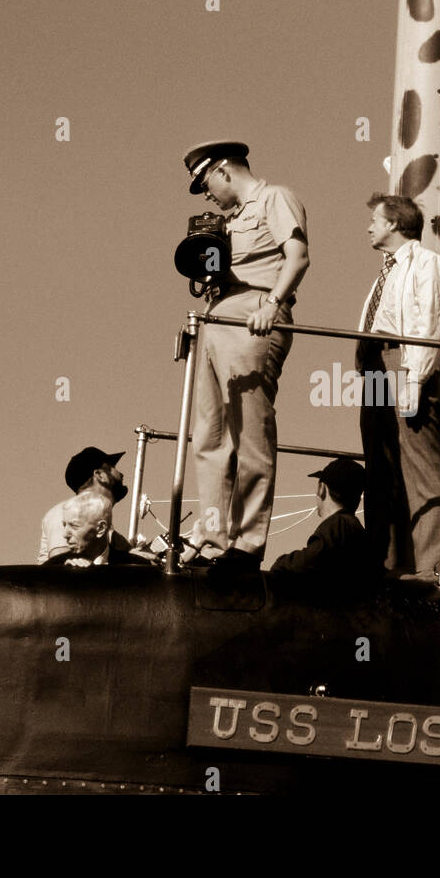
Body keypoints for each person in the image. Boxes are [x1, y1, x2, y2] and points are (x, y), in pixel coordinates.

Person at [181, 140, 309, 570]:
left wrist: (272, 304)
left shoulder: (275, 198)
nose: (207, 195)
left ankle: (247, 543)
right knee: (210, 437)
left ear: (224, 170)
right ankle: (214, 538)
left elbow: (298, 256)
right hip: (218, 319)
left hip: (254, 315)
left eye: (205, 184)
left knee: (250, 432)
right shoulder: (229, 221)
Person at [356, 193, 440, 577]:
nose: (369, 227)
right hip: (377, 364)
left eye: (375, 220)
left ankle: (433, 565)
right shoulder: (389, 269)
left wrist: (414, 378)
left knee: (420, 464)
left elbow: (427, 325)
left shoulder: (428, 265)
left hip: (402, 362)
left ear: (395, 224)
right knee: (381, 467)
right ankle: (390, 562)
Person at [270, 459, 373, 576]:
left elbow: (306, 561)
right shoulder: (355, 528)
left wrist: (281, 563)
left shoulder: (339, 524)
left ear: (322, 489)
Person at [37, 447, 130, 563]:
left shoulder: (110, 532)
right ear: (100, 475)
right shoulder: (66, 512)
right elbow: (62, 564)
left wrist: (134, 557)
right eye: (113, 467)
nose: (121, 474)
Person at [43, 492, 151, 566]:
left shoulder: (137, 568)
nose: (65, 534)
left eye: (74, 526)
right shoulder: (53, 569)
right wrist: (66, 577)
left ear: (101, 529)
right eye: (64, 525)